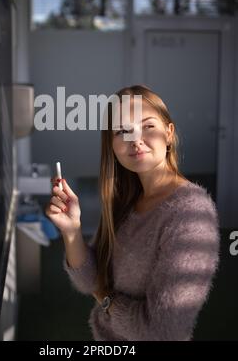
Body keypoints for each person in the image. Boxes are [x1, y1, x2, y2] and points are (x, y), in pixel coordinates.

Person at [45, 84, 220, 341]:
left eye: (148, 126)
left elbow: (162, 332)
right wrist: (72, 230)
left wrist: (106, 302)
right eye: (122, 131)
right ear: (112, 146)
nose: (135, 139)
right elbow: (91, 281)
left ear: (169, 133)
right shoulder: (125, 201)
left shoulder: (191, 213)